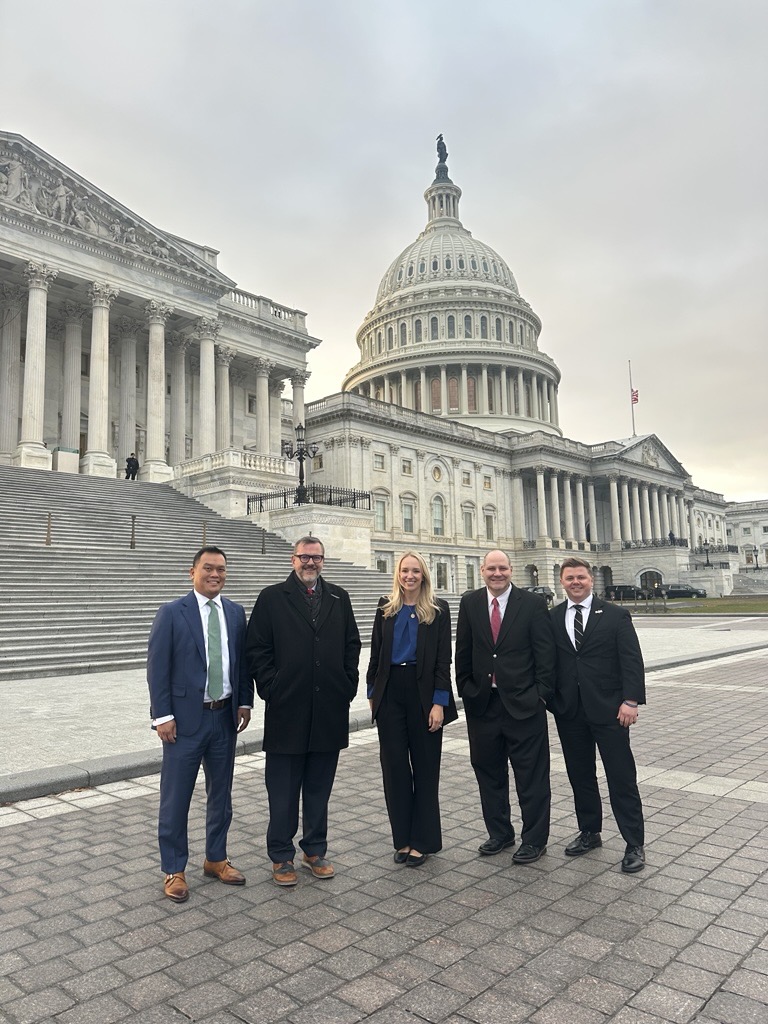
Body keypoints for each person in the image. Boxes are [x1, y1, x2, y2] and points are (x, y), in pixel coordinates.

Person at [246, 536, 361, 887]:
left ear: (324, 561)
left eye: (316, 558)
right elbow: (257, 648)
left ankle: (315, 849)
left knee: (318, 787)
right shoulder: (271, 598)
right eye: (304, 557)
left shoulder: (339, 597)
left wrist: (346, 685)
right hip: (287, 709)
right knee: (282, 790)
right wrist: (272, 687)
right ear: (292, 559)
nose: (310, 563)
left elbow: (352, 645)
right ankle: (281, 855)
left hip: (328, 708)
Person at [147, 546, 253, 902]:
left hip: (223, 719)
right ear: (191, 572)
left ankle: (216, 858)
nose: (215, 575)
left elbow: (243, 664)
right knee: (176, 798)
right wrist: (162, 716)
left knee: (221, 797)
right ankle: (174, 869)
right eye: (208, 568)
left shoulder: (236, 613)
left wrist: (244, 701)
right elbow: (157, 668)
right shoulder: (172, 613)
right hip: (184, 723)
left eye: (221, 569)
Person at [455, 549, 556, 864]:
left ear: (511, 570)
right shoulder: (470, 603)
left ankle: (534, 839)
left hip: (524, 705)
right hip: (484, 704)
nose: (497, 574)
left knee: (531, 776)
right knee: (488, 772)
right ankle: (499, 833)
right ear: (481, 569)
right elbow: (464, 651)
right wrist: (467, 690)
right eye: (491, 568)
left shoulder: (534, 605)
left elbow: (546, 656)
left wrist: (540, 695)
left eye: (502, 568)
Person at [549, 556, 646, 873]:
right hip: (570, 711)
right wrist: (552, 700)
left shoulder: (615, 615)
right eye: (569, 578)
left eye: (580, 577)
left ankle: (634, 843)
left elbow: (631, 660)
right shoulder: (553, 617)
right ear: (561, 582)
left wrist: (630, 701)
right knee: (580, 776)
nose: (575, 582)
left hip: (611, 711)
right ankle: (590, 832)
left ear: (591, 579)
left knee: (621, 777)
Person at [367, 552, 458, 867]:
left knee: (425, 767)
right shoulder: (385, 607)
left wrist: (439, 702)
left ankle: (424, 840)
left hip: (423, 694)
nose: (410, 576)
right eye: (405, 570)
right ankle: (403, 839)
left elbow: (444, 659)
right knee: (394, 770)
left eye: (415, 571)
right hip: (390, 692)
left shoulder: (437, 609)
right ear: (398, 574)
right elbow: (376, 654)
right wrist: (371, 693)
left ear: (424, 575)